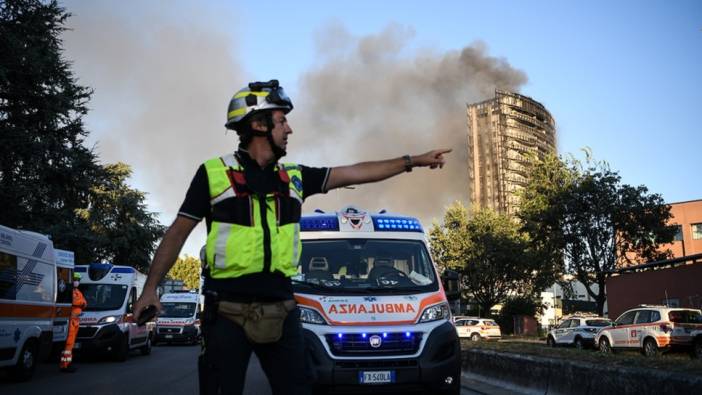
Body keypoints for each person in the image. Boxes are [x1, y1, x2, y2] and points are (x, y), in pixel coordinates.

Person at [133, 80, 451, 394]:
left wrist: (413, 161)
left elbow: (356, 171)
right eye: (282, 120)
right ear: (258, 124)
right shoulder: (214, 174)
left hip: (282, 311)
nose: (290, 129)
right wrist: (150, 289)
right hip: (226, 313)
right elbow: (177, 233)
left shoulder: (295, 177)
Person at [60, 272, 87, 373]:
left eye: (78, 280)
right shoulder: (70, 291)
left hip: (76, 321)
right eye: (75, 279)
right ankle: (65, 365)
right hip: (71, 321)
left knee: (70, 345)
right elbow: (76, 302)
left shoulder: (78, 292)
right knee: (68, 344)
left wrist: (81, 303)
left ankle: (67, 363)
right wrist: (81, 303)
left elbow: (85, 303)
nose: (77, 281)